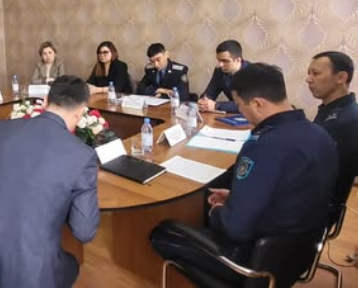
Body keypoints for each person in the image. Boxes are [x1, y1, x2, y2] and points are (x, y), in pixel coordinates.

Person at [151, 63, 338, 284]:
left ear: (258, 103)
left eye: (240, 105)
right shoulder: (320, 134)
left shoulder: (264, 146)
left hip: (256, 264)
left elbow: (235, 228)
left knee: (162, 233)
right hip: (300, 256)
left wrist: (217, 212)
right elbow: (292, 190)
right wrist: (237, 197)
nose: (241, 112)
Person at [0, 75, 100, 288]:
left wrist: (3, 184)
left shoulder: (2, 129)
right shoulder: (83, 155)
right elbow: (84, 231)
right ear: (80, 112)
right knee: (72, 264)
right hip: (30, 272)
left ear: (46, 100)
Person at [307, 51, 358, 205]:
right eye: (309, 73)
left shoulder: (348, 119)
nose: (308, 79)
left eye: (316, 73)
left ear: (341, 77)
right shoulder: (330, 111)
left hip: (317, 207)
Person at [198, 40, 249, 113]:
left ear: (238, 60)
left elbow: (249, 105)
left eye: (225, 61)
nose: (220, 64)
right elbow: (210, 93)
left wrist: (216, 105)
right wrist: (203, 102)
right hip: (233, 115)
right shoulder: (220, 71)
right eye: (219, 60)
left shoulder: (254, 73)